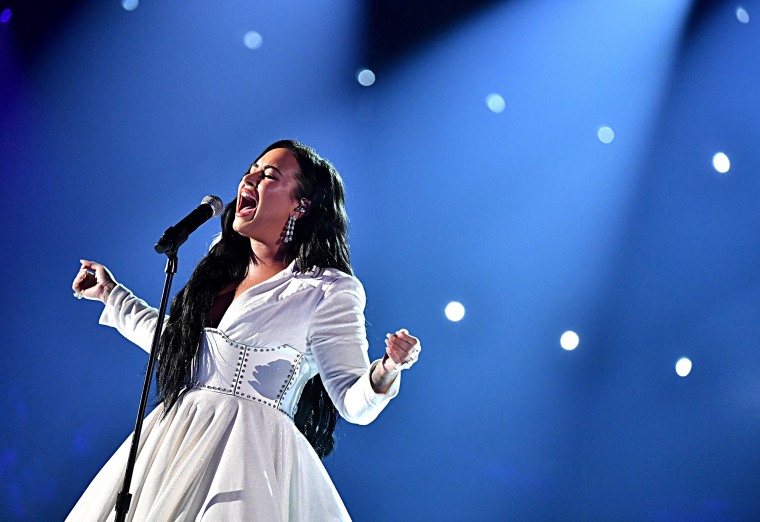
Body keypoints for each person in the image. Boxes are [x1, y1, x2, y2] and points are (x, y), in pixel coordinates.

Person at [67, 140, 421, 521]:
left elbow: (354, 402)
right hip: (174, 443)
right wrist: (110, 294)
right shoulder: (221, 265)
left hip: (251, 458)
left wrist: (386, 369)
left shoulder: (327, 289)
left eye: (268, 175)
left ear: (301, 205)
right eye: (250, 170)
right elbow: (176, 344)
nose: (248, 179)